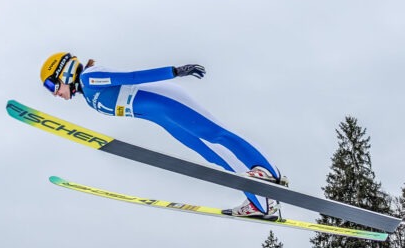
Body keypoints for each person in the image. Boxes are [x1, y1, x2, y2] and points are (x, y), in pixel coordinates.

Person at [39, 52, 287, 219]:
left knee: (216, 134)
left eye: (52, 85)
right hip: (161, 117)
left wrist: (175, 71)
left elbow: (132, 77)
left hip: (168, 102)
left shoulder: (90, 77)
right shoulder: (88, 97)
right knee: (211, 154)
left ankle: (268, 177)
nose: (54, 93)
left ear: (64, 72)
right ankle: (259, 201)